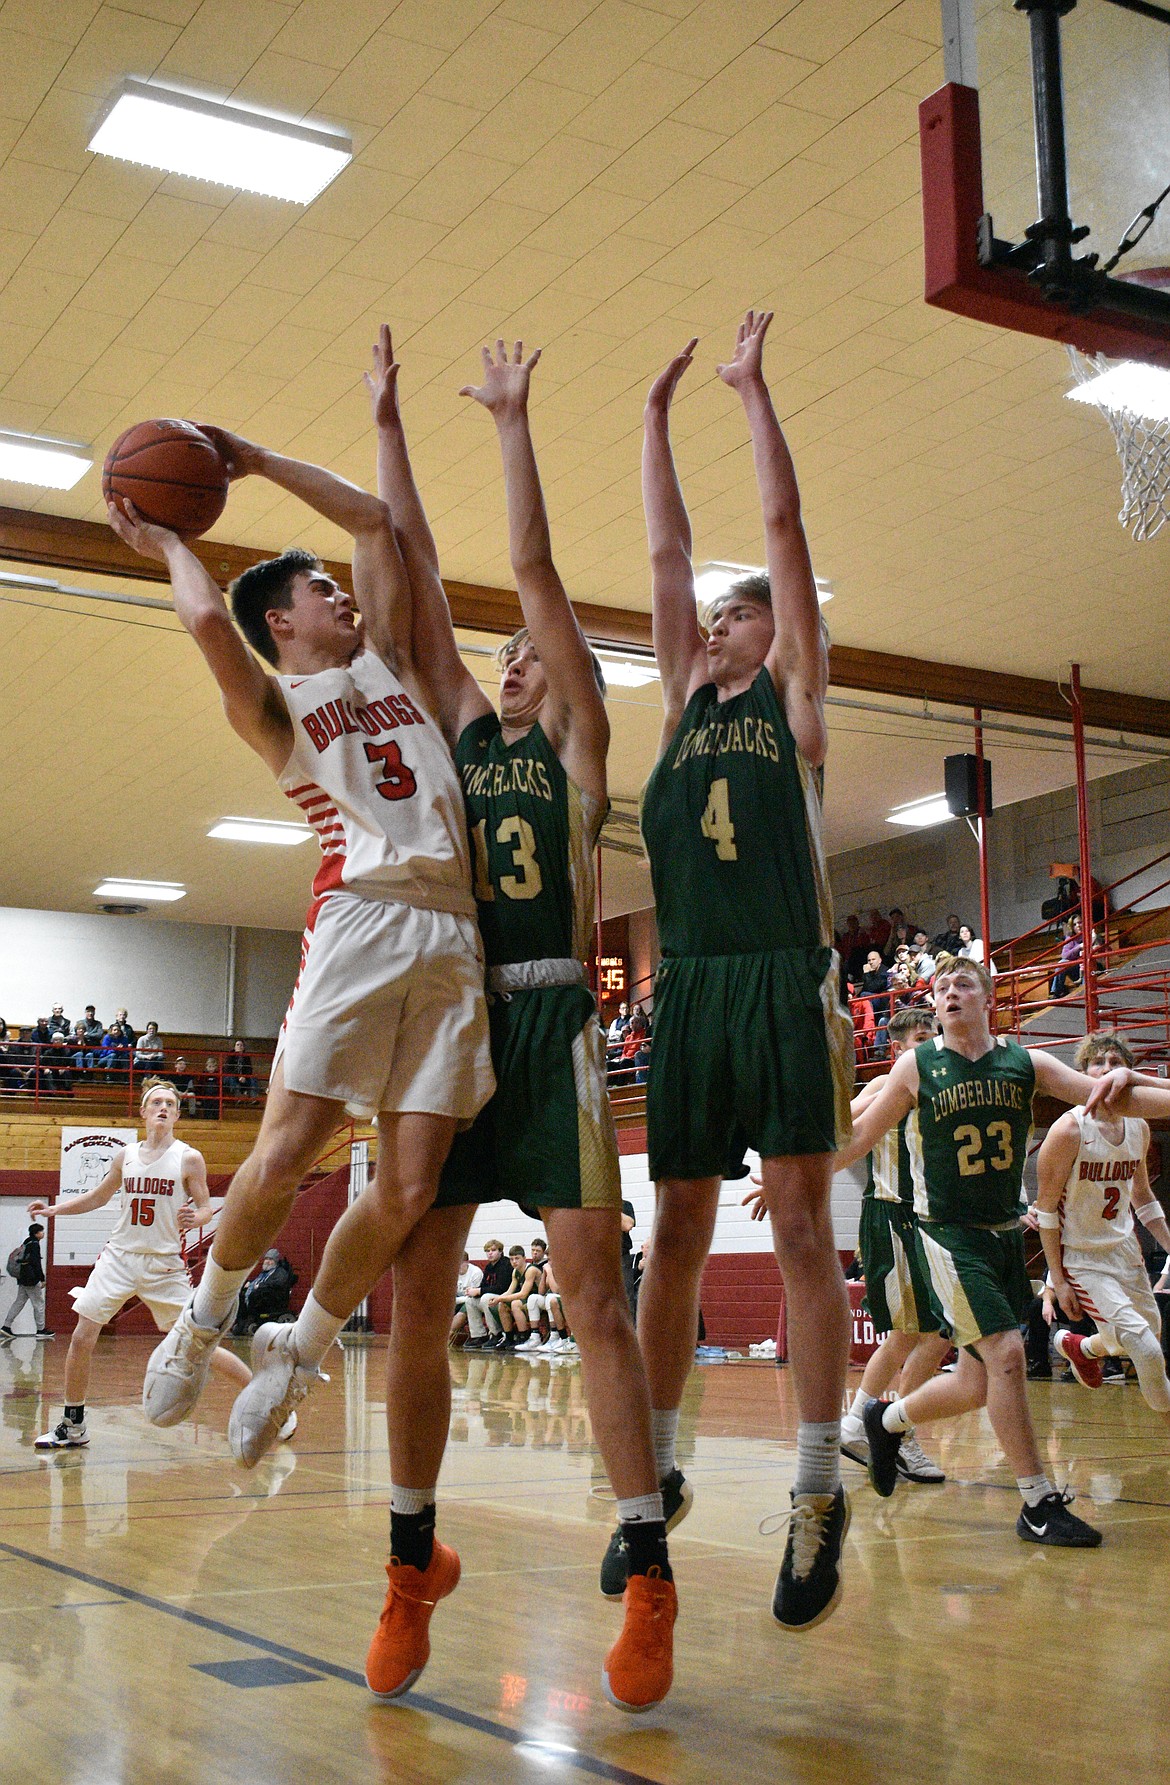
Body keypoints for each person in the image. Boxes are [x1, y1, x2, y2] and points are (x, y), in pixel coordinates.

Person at [361, 326, 676, 1711]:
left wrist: (508, 423)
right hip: (449, 1035)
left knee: (594, 1297)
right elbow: (418, 590)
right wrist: (386, 425)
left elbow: (534, 581)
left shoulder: (580, 756)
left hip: (550, 1035)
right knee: (416, 1298)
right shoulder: (458, 739)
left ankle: (649, 1569)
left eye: (535, 658)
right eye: (506, 660)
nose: (516, 663)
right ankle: (409, 1562)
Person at [107, 410, 492, 1475]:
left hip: (455, 936)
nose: (342, 593)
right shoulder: (282, 708)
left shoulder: (402, 669)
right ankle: (201, 1324)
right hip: (361, 919)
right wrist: (174, 543)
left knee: (409, 1186)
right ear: (283, 622)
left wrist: (261, 457)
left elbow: (374, 519)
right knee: (286, 1153)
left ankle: (300, 1354)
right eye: (320, 589)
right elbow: (203, 629)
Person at [632, 313, 855, 1632]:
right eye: (710, 613)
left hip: (783, 980)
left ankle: (817, 1488)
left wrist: (751, 394)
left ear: (773, 639)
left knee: (798, 1230)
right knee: (671, 1236)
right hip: (693, 991)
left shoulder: (795, 706)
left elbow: (782, 533)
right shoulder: (675, 704)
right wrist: (656, 425)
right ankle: (655, 1468)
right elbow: (667, 552)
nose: (717, 618)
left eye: (738, 613)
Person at [838, 956, 1170, 1545]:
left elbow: (1113, 1098)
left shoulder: (1027, 1062)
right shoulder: (917, 1066)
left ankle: (884, 1421)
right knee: (1009, 1355)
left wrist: (1135, 1084)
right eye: (941, 988)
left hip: (1000, 1235)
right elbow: (861, 1134)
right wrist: (799, 1175)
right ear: (935, 1006)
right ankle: (1037, 1503)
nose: (950, 993)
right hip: (945, 1232)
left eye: (963, 983)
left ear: (988, 998)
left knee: (975, 1383)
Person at [26, 1079, 255, 1448]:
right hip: (119, 1256)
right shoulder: (125, 1155)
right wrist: (55, 1209)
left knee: (197, 1345)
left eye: (170, 1103)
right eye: (156, 1102)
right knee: (83, 1336)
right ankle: (73, 1424)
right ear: (145, 1112)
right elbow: (98, 1196)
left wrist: (198, 1218)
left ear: (177, 1114)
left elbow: (205, 1207)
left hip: (164, 1264)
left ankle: (264, 1396)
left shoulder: (188, 1157)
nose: (163, 1107)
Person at [836, 1007, 949, 1482]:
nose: (928, 1043)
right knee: (915, 1332)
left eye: (932, 1035)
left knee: (935, 1333)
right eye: (920, 1036)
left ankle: (876, 1425)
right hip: (892, 1213)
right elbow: (843, 1125)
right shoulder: (884, 1085)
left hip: (934, 1217)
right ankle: (885, 1428)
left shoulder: (943, 1085)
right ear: (897, 1047)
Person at [1035, 1031, 1170, 1425]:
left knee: (1147, 1332)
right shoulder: (1068, 1130)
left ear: (1128, 1072)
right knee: (1144, 1349)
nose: (1107, 1070)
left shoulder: (1139, 1127)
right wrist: (1057, 1281)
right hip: (1083, 1258)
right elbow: (1045, 1213)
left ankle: (1081, 1348)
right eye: (1099, 1063)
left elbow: (1142, 1197)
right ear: (1083, 1073)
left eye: (1116, 1063)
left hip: (1124, 1251)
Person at [0, 1222, 52, 1340]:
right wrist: (42, 1278)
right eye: (41, 1231)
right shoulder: (34, 1244)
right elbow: (35, 1263)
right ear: (36, 1233)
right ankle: (41, 1330)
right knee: (39, 1303)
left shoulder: (26, 1242)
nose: (43, 1233)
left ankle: (6, 1327)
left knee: (19, 1302)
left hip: (23, 1278)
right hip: (31, 1279)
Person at [234, 1248, 298, 1336]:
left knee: (255, 1294)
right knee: (241, 1294)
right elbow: (258, 1281)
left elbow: (278, 1283)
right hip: (262, 1295)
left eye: (271, 1259)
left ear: (275, 1261)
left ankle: (251, 1316)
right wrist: (250, 1283)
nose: (268, 1261)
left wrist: (260, 1286)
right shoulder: (264, 1274)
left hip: (272, 1298)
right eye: (266, 1259)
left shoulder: (280, 1273)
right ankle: (241, 1320)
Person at [463, 1239, 513, 1348]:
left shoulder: (506, 1264)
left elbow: (501, 1288)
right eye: (487, 1251)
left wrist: (479, 1291)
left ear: (500, 1251)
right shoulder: (489, 1267)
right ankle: (479, 1335)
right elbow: (484, 1285)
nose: (490, 1253)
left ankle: (496, 1333)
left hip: (504, 1296)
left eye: (493, 1250)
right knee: (469, 1300)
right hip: (491, 1296)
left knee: (486, 1298)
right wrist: (473, 1291)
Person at [449, 1252, 482, 1346]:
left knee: (467, 1305)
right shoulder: (451, 1272)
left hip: (472, 1299)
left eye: (460, 1263)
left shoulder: (476, 1272)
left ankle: (447, 1335)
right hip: (457, 1298)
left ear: (467, 1262)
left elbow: (474, 1294)